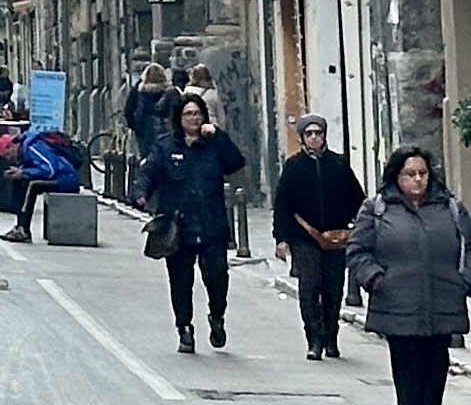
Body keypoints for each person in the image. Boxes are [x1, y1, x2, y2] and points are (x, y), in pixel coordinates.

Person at [345, 147, 471, 405]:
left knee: (434, 388)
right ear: (397, 176)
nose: (418, 179)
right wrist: (375, 279)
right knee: (409, 389)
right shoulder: (377, 209)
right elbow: (357, 251)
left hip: (443, 309)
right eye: (410, 174)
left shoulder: (450, 208)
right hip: (398, 312)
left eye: (423, 173)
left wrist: (466, 281)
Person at [141, 89, 249, 357]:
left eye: (198, 113)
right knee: (180, 280)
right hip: (178, 226)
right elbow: (149, 172)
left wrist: (219, 136)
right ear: (179, 118)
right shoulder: (166, 146)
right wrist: (140, 194)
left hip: (211, 223)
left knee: (217, 277)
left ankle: (217, 316)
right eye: (188, 114)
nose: (193, 118)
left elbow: (235, 162)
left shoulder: (213, 144)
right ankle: (184, 328)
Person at [274, 114, 368, 362]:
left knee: (333, 289)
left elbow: (357, 199)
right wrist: (281, 238)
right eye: (309, 133)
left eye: (318, 133)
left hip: (335, 237)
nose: (314, 137)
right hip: (304, 238)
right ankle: (314, 339)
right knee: (309, 286)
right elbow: (282, 204)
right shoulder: (294, 167)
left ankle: (331, 337)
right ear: (302, 137)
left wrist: (357, 227)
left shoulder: (338, 164)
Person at [7, 120, 82, 242]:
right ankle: (19, 226)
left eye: (8, 155)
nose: (9, 158)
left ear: (12, 146)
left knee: (32, 185)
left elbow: (50, 169)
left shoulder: (33, 147)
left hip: (66, 179)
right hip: (58, 177)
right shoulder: (25, 151)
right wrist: (21, 172)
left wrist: (24, 172)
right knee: (20, 181)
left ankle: (23, 229)